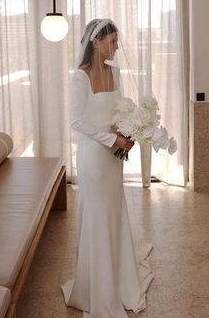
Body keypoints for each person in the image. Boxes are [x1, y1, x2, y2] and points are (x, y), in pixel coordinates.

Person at [61, 18, 154, 318]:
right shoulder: (80, 77)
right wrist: (111, 138)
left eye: (116, 41)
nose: (116, 46)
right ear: (95, 42)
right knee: (98, 217)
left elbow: (120, 111)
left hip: (113, 159)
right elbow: (77, 122)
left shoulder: (114, 71)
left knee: (114, 214)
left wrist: (127, 133)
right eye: (112, 41)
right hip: (93, 159)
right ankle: (98, 289)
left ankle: (118, 279)